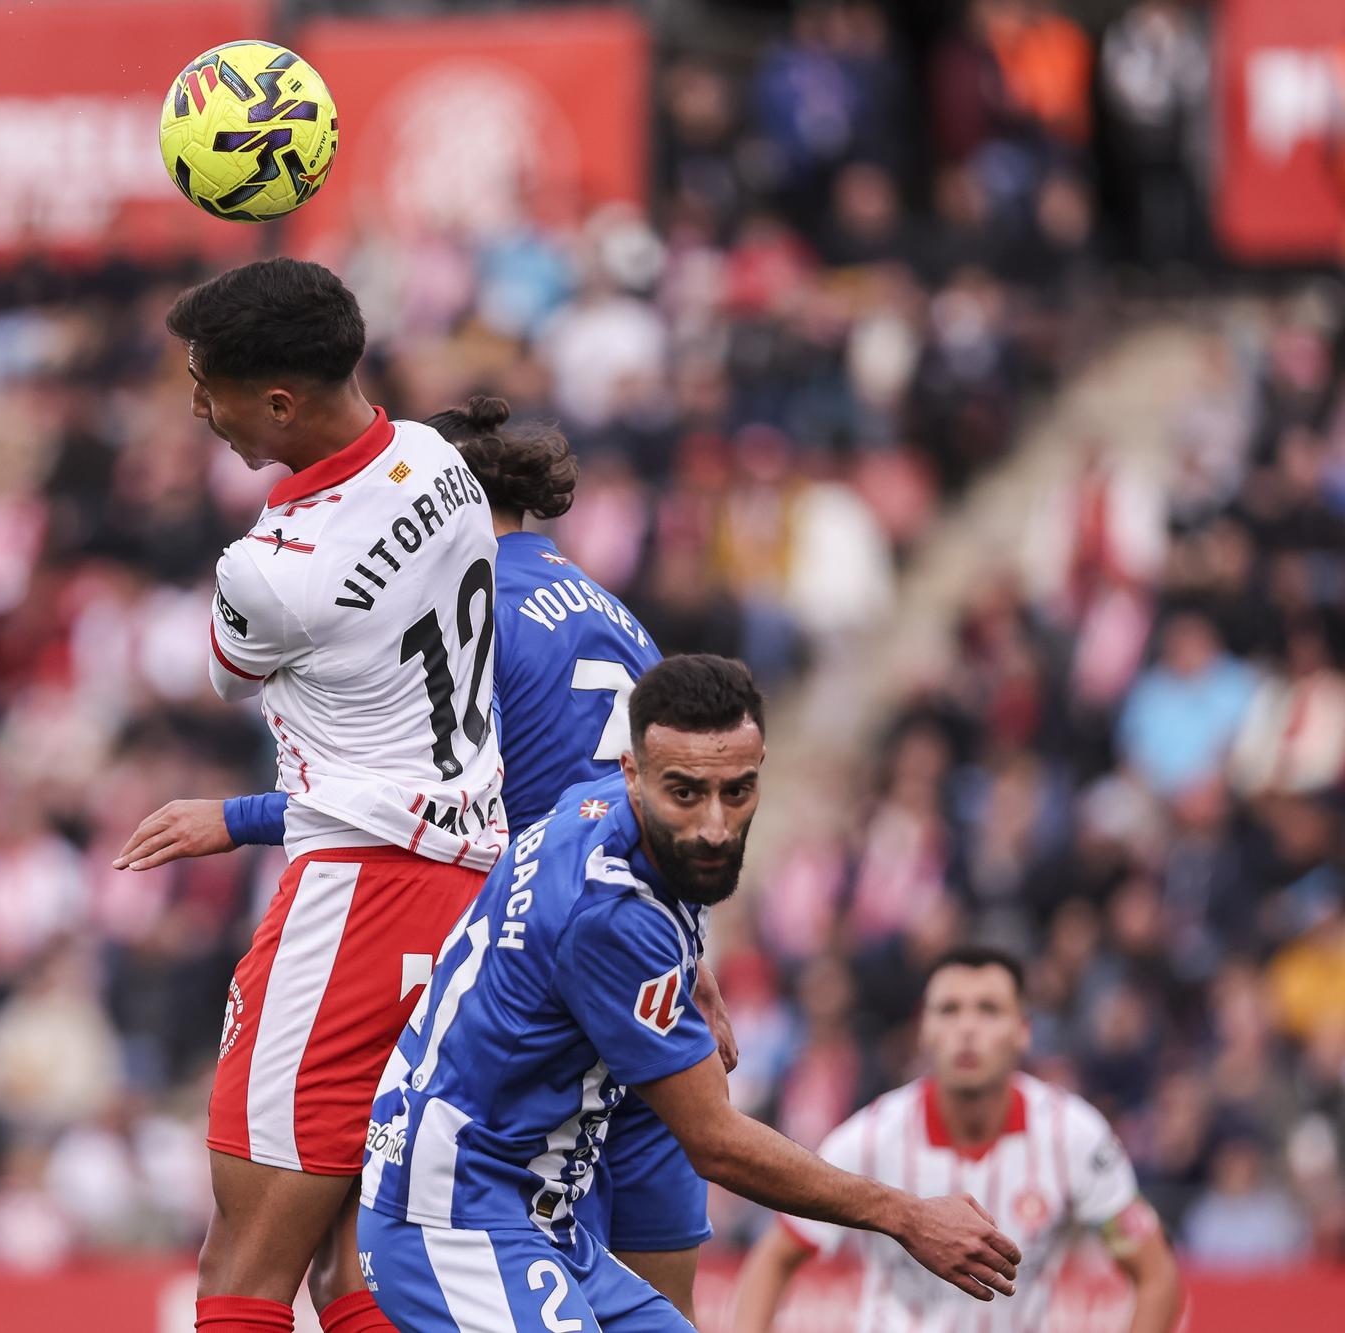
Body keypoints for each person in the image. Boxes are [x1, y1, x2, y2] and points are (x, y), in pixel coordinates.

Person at [118, 396, 731, 1320]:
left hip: (525, 962)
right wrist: (681, 954)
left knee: (386, 1256)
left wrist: (241, 816)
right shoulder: (617, 617)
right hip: (643, 980)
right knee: (637, 1302)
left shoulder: (470, 610)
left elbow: (441, 798)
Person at [357, 655, 1020, 1331]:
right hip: (452, 1221)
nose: (715, 825)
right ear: (633, 774)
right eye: (686, 793)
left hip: (533, 1217)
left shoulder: (599, 806)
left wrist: (692, 969)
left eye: (738, 791)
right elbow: (715, 1141)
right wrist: (906, 1215)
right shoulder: (613, 918)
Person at [154, 258, 509, 1333]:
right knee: (356, 1264)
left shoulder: (268, 569)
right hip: (467, 895)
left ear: (277, 403)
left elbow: (227, 674)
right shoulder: (438, 460)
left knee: (242, 1268)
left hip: (354, 903)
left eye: (207, 386)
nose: (198, 408)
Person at [730, 945, 1182, 1332]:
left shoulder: (1075, 1136)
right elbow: (773, 1259)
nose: (967, 1028)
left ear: (1023, 1031)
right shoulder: (870, 1137)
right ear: (924, 1031)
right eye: (949, 1010)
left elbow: (1156, 1272)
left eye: (989, 1010)